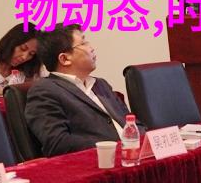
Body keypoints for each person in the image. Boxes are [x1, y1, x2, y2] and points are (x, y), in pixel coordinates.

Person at [25, 23, 140, 157]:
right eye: (84, 43)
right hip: (101, 161)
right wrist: (112, 146)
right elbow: (58, 143)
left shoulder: (101, 84)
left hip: (133, 155)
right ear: (64, 59)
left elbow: (132, 123)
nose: (91, 48)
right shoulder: (44, 91)